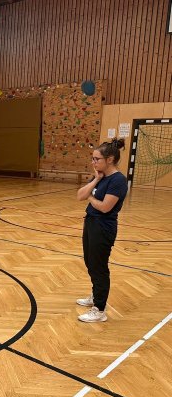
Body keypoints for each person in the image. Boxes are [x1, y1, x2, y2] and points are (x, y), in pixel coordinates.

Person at [76, 138, 127, 323]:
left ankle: (99, 309)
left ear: (110, 159)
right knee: (90, 262)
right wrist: (96, 179)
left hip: (104, 228)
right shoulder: (100, 175)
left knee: (99, 267)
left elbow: (105, 207)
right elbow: (79, 195)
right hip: (90, 222)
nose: (93, 162)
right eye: (93, 158)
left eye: (96, 159)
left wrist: (90, 198)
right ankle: (95, 295)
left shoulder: (118, 180)